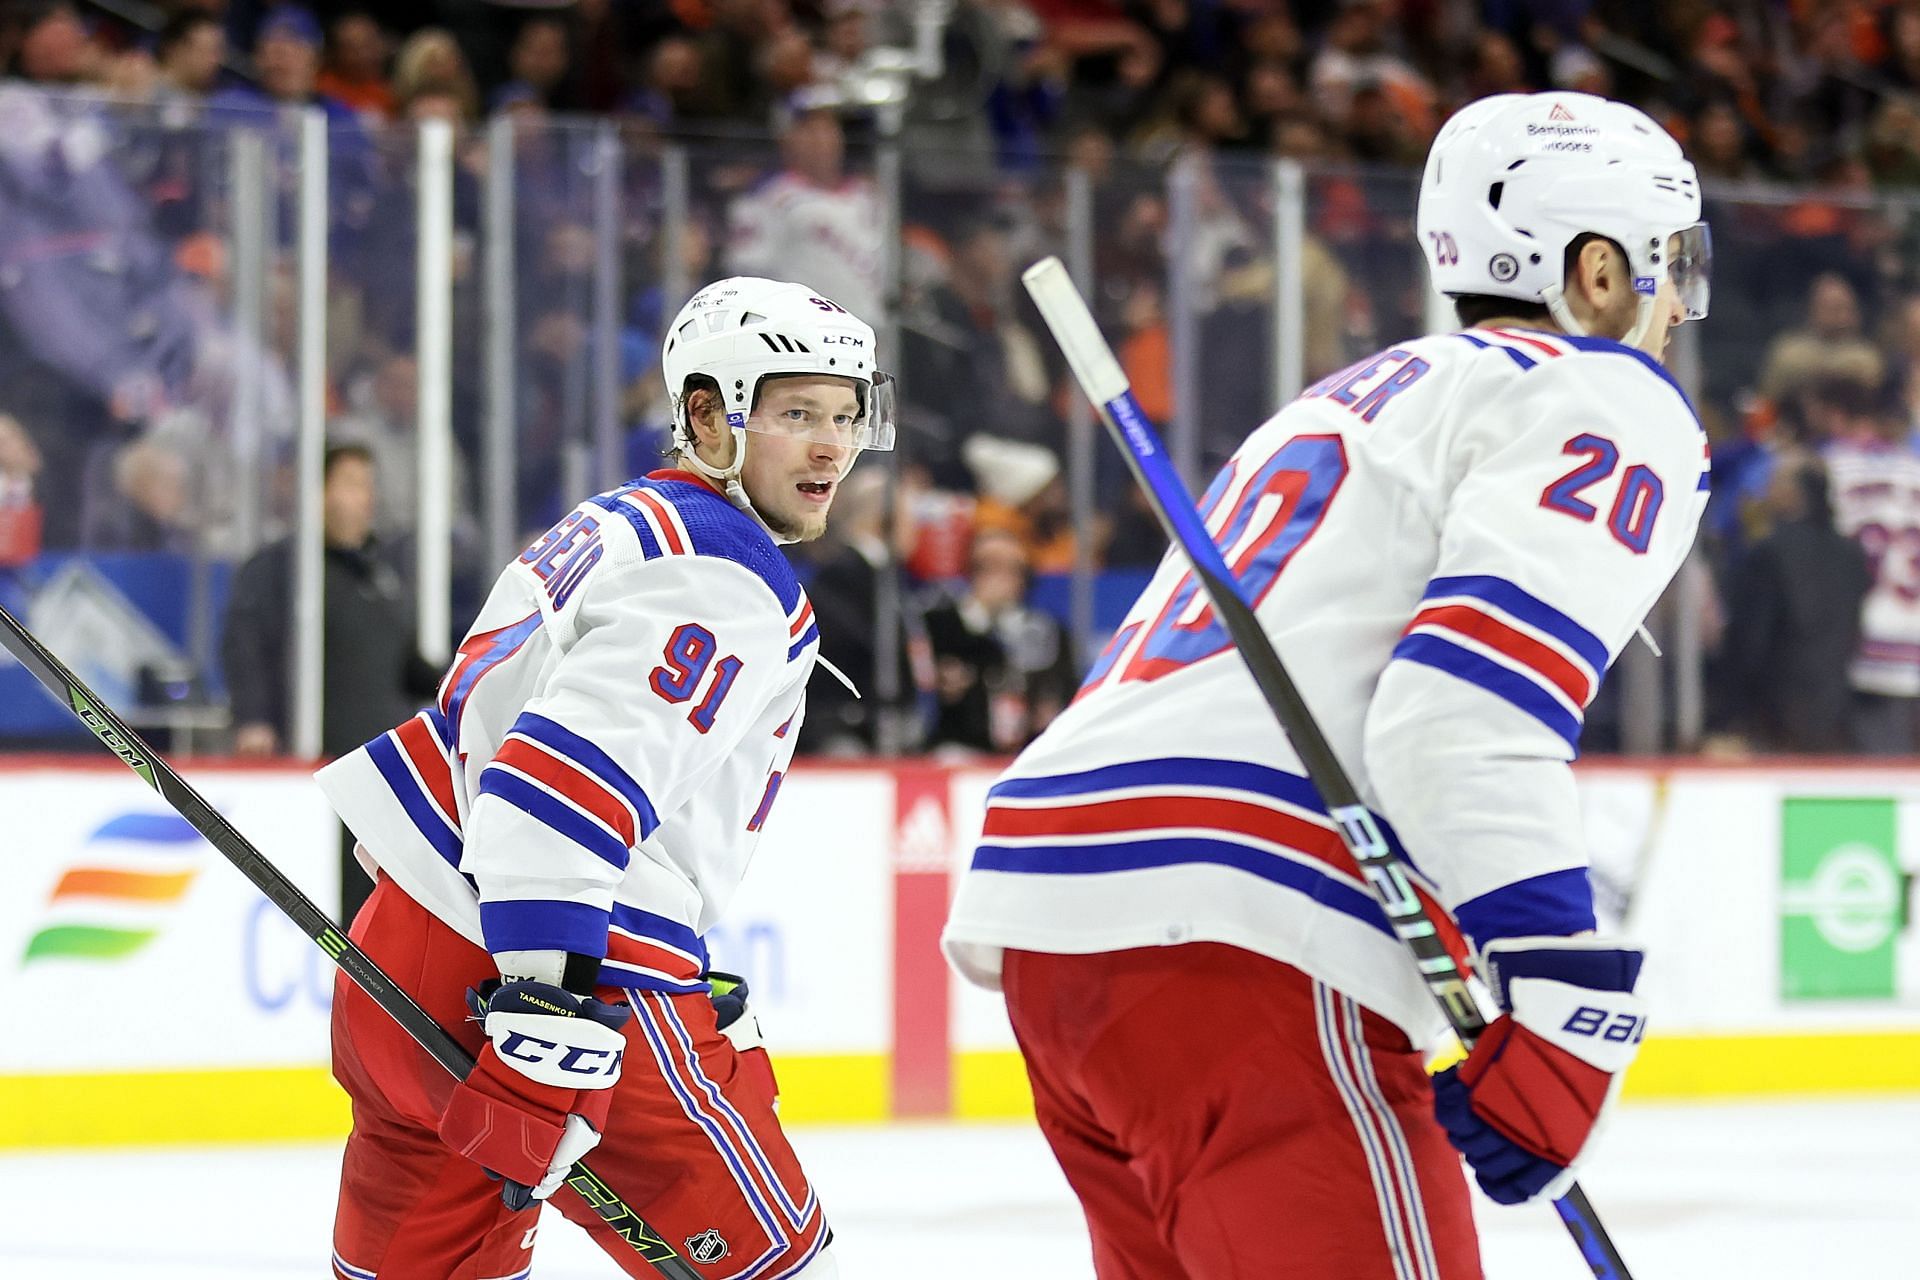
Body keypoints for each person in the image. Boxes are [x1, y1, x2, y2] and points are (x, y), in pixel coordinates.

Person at [944, 91, 1713, 1278]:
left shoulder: (1352, 394)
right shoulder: (1604, 393)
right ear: (1599, 270)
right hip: (1242, 929)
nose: (1679, 304)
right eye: (1671, 265)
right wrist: (1560, 981)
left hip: (1061, 915)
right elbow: (1459, 714)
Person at [318, 277, 893, 1278]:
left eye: (846, 416)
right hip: (566, 973)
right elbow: (558, 786)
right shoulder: (723, 567)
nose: (830, 447)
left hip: (406, 950)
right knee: (774, 1265)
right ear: (708, 413)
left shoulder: (616, 523)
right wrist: (547, 1007)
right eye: (797, 412)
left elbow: (488, 734)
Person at [220, 443, 438, 924]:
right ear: (315, 493)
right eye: (352, 484)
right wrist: (253, 718)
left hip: (381, 778)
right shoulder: (282, 569)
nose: (366, 499)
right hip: (319, 770)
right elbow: (244, 643)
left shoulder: (376, 575)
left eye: (369, 486)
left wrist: (466, 683)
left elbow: (405, 664)